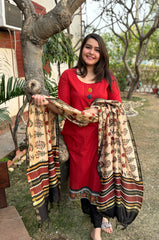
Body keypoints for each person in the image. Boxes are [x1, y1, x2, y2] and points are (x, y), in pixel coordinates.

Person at [32, 33, 122, 240]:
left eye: (97, 49)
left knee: (101, 179)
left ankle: (97, 229)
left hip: (102, 139)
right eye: (88, 47)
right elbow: (61, 107)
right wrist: (44, 101)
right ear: (82, 49)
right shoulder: (68, 76)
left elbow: (117, 107)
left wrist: (98, 110)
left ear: (102, 54)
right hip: (77, 139)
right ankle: (99, 218)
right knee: (88, 181)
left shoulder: (108, 77)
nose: (92, 52)